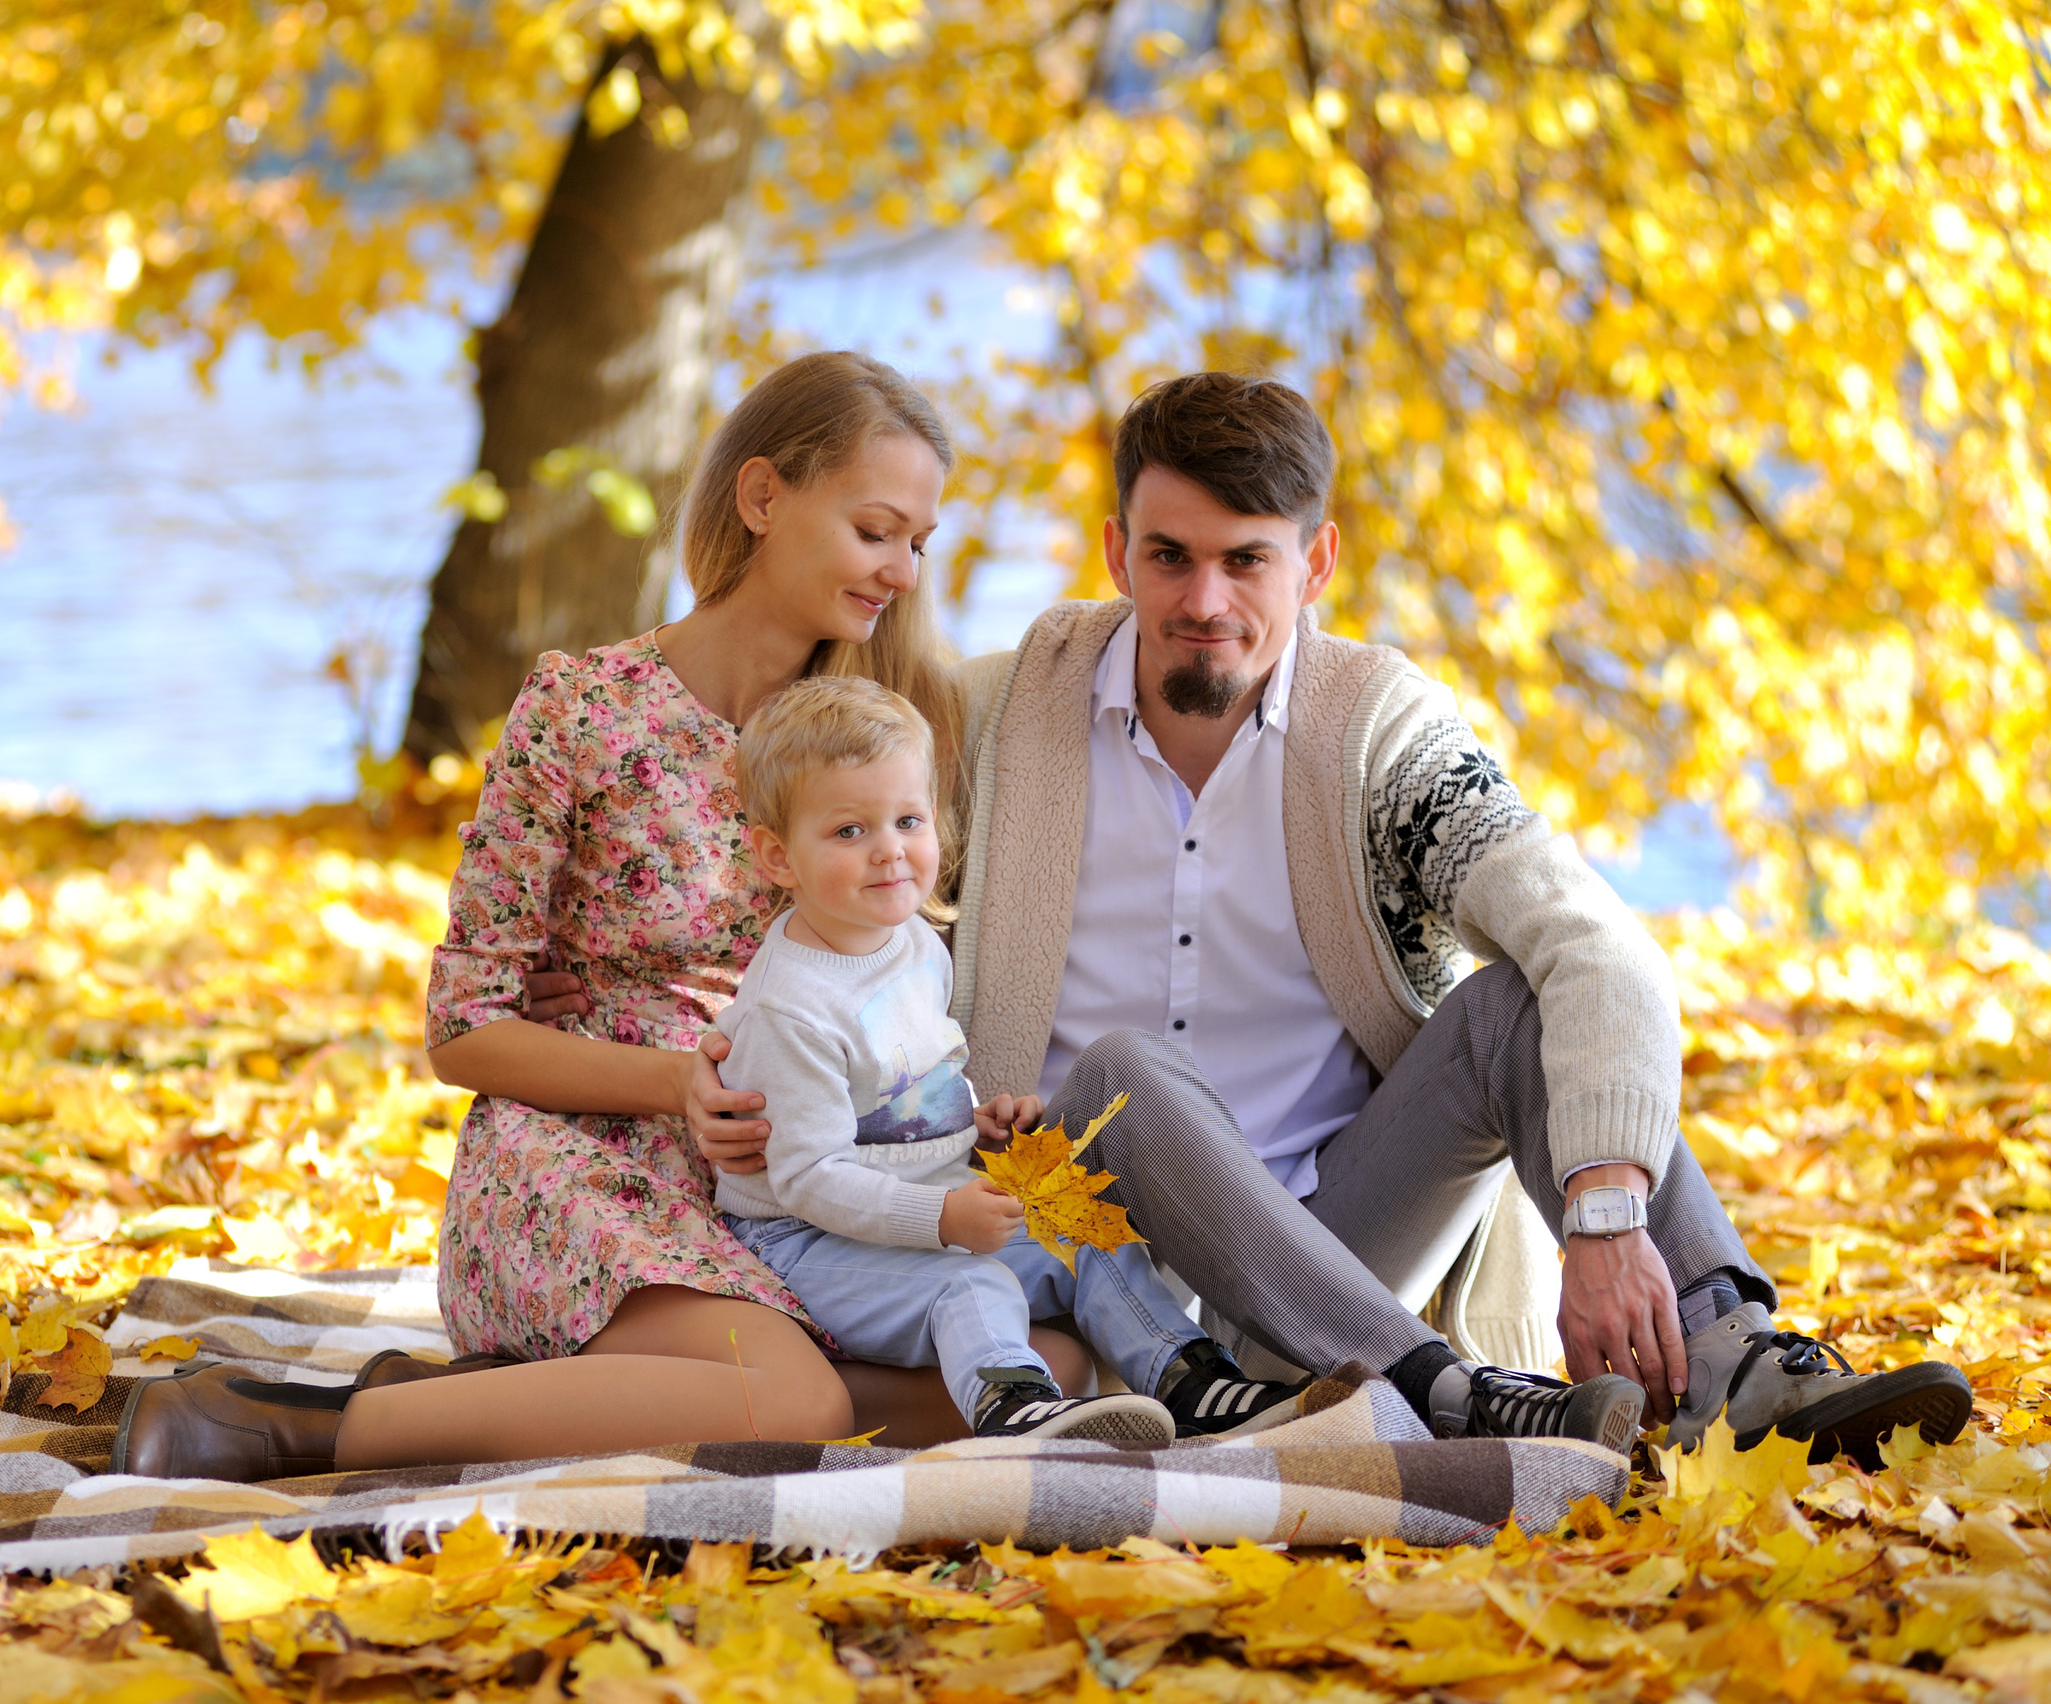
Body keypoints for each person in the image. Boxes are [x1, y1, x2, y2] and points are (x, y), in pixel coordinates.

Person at [679, 372, 1971, 1464]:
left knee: (1522, 998)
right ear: (1117, 548)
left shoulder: (1381, 734)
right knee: (1119, 1069)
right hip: (1097, 1270)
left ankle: (1737, 1353)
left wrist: (1606, 1214)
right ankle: (1425, 1388)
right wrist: (677, 1062)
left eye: (1250, 561)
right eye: (1170, 556)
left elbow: (1595, 942)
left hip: (1345, 1237)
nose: (1206, 602)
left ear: (1319, 560)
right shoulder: (1003, 718)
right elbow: (794, 810)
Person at [113, 350, 1092, 1480]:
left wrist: (972, 1111)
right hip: (590, 1160)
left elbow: (912, 991)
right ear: (764, 497)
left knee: (1050, 1363)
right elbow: (465, 1029)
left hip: (809, 1183)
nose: (903, 572)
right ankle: (272, 1424)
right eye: (877, 532)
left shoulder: (893, 730)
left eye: (917, 542)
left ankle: (541, 1402)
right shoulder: (581, 708)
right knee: (795, 1397)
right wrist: (673, 1080)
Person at [711, 675, 1317, 1443]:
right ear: (776, 857)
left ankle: (1193, 1383)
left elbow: (909, 1083)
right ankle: (1017, 1413)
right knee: (973, 1284)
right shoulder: (788, 1009)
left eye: (907, 819)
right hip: (806, 1246)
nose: (890, 852)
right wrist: (942, 1215)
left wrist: (976, 1120)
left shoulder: (913, 946)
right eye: (848, 832)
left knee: (1086, 1236)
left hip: (917, 1209)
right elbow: (807, 1178)